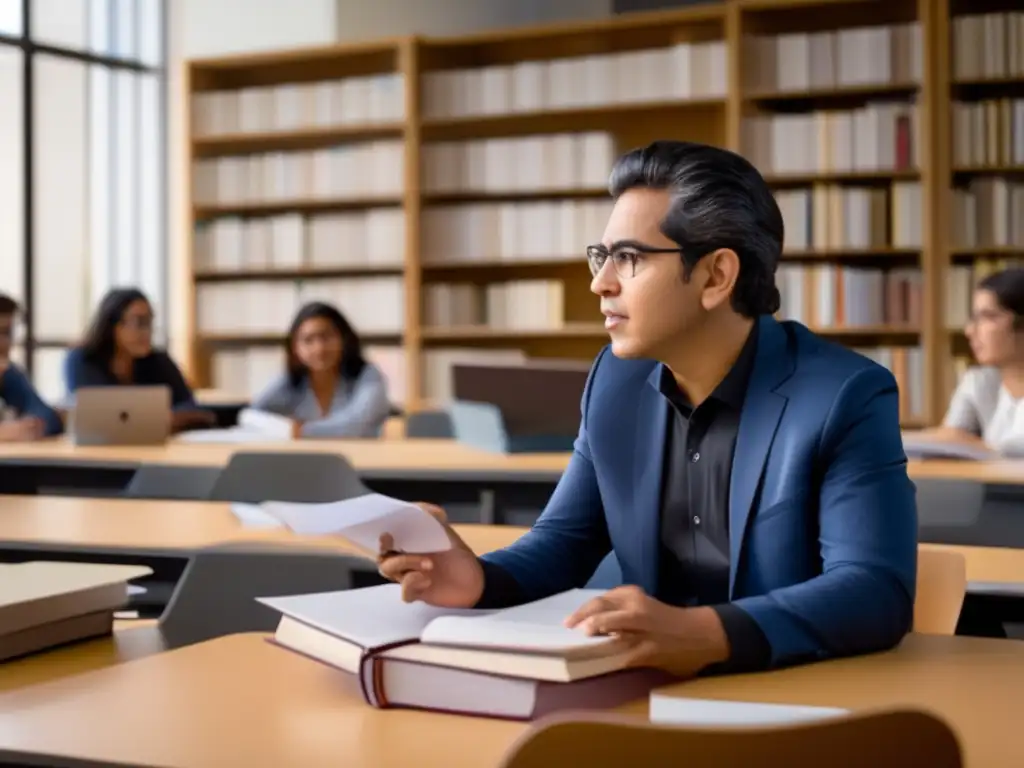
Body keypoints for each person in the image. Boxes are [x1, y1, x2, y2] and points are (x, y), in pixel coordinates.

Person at [378, 141, 918, 678]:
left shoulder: (844, 394)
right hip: (639, 688)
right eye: (602, 255)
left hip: (787, 694)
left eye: (629, 258)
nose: (600, 283)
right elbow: (564, 541)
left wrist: (707, 633)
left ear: (715, 276)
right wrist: (476, 579)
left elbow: (874, 589)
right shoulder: (616, 381)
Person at [63, 288, 215, 433]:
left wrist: (169, 418)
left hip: (155, 450)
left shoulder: (159, 361)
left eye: (150, 323)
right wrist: (154, 420)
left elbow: (190, 405)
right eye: (139, 323)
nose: (147, 332)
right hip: (99, 449)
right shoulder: (82, 360)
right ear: (113, 325)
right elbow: (92, 415)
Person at [250, 301, 391, 438]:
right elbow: (252, 416)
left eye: (326, 337)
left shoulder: (367, 376)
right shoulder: (291, 380)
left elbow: (356, 424)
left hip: (363, 459)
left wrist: (302, 431)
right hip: (307, 459)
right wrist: (281, 428)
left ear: (344, 339)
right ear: (295, 348)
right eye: (308, 340)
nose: (319, 348)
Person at [927, 267, 1024, 453]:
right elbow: (948, 437)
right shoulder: (980, 382)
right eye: (974, 318)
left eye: (987, 317)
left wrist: (968, 443)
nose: (970, 331)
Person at [0, 294, 63, 440]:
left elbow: (48, 418)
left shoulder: (10, 374)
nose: (6, 343)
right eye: (2, 332)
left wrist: (30, 425)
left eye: (10, 333)